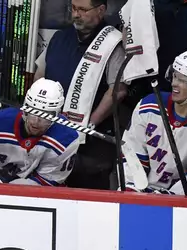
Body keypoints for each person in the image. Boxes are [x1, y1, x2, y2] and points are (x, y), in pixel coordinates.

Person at [34, 0, 127, 190]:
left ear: (101, 10)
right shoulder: (59, 37)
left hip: (90, 144)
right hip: (50, 134)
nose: (76, 14)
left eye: (83, 10)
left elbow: (117, 90)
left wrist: (90, 123)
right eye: (73, 8)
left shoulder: (113, 43)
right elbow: (40, 75)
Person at [0, 78, 81, 186]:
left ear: (57, 114)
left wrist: (10, 187)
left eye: (45, 116)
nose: (35, 121)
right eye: (32, 111)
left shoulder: (67, 138)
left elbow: (47, 182)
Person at [123, 50, 187, 195]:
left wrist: (168, 198)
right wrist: (132, 189)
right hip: (138, 190)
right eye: (174, 76)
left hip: (178, 200)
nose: (174, 83)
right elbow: (132, 154)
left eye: (182, 80)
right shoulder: (149, 106)